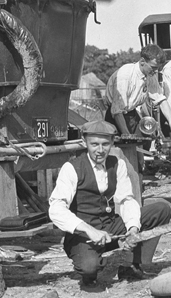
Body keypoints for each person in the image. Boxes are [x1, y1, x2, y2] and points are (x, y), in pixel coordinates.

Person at [48, 120, 171, 286]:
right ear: (84, 142)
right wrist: (89, 230)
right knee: (89, 268)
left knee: (161, 208)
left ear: (112, 143)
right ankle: (90, 269)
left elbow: (126, 199)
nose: (100, 150)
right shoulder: (72, 168)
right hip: (83, 235)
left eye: (105, 144)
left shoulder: (117, 164)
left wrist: (133, 228)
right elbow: (56, 208)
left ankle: (131, 266)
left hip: (111, 227)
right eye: (94, 144)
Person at [104, 44, 171, 137]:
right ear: (142, 61)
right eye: (153, 67)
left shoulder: (150, 75)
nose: (155, 71)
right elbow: (117, 111)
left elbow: (160, 100)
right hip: (116, 117)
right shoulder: (125, 76)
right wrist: (127, 135)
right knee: (125, 147)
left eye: (158, 68)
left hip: (132, 115)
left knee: (144, 144)